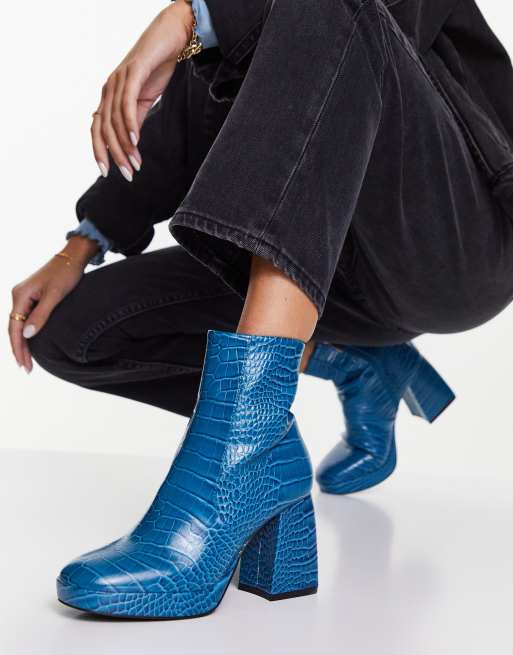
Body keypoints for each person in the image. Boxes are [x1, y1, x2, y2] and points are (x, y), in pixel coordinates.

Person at [8, 0, 513, 618]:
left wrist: (188, 19)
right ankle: (331, 382)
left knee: (324, 6)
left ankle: (243, 450)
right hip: (320, 261)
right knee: (71, 330)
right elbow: (188, 111)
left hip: (452, 250)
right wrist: (83, 243)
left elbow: (365, 24)